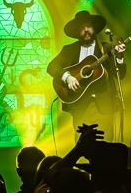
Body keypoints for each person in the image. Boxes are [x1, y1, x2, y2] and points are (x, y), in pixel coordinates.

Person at [47, 10, 126, 142]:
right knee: (81, 144)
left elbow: (120, 74)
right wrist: (67, 77)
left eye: (88, 26)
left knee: (105, 144)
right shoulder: (69, 50)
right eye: (81, 28)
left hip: (103, 106)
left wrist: (120, 58)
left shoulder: (107, 49)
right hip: (79, 106)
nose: (86, 30)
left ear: (94, 28)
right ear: (77, 31)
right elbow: (51, 67)